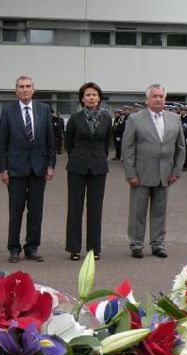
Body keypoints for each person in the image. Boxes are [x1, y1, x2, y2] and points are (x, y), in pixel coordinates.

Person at [122, 83, 185, 259]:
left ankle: (158, 244)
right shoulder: (135, 119)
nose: (158, 99)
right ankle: (136, 243)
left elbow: (181, 147)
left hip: (165, 174)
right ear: (147, 99)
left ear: (165, 99)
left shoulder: (175, 119)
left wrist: (176, 171)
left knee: (159, 211)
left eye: (161, 97)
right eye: (154, 96)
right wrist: (130, 173)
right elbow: (128, 148)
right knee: (137, 211)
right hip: (140, 174)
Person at [0, 75, 56, 263]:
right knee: (16, 211)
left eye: (28, 86)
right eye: (21, 86)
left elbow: (50, 140)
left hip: (39, 168)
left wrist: (50, 165)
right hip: (15, 169)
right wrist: (3, 169)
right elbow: (2, 143)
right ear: (16, 90)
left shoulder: (44, 110)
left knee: (36, 211)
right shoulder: (8, 112)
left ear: (33, 89)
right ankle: (14, 248)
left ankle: (32, 247)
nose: (24, 89)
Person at [64, 82, 111, 261]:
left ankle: (93, 249)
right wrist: (79, 157)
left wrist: (97, 158)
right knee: (75, 208)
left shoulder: (107, 118)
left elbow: (107, 143)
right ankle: (74, 248)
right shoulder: (75, 119)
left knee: (95, 209)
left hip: (98, 168)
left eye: (94, 95)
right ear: (82, 99)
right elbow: (69, 144)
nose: (91, 97)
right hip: (77, 167)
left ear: (99, 98)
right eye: (87, 95)